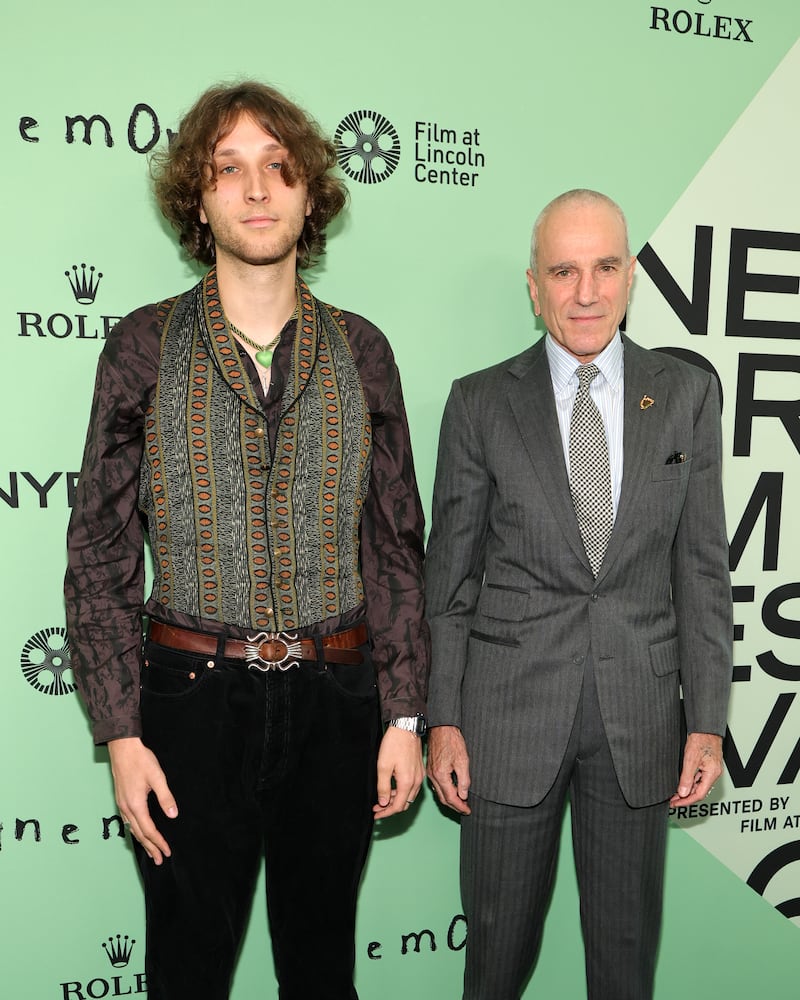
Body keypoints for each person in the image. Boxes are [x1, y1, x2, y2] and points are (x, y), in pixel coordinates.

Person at [65, 81, 429, 1000]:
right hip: (186, 704)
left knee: (322, 978)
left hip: (340, 700)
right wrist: (120, 733)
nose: (257, 190)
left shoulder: (365, 351)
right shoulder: (143, 346)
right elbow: (101, 548)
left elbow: (394, 544)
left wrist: (405, 716)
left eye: (279, 168)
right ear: (199, 196)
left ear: (311, 196)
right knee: (186, 977)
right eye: (230, 169)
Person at [425, 189, 732, 1000]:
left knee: (625, 968)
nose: (586, 292)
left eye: (603, 268)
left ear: (630, 276)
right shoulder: (480, 402)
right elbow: (448, 580)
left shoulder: (686, 397)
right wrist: (444, 719)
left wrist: (706, 720)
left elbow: (701, 568)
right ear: (534, 287)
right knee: (493, 967)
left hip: (639, 721)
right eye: (563, 271)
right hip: (504, 723)